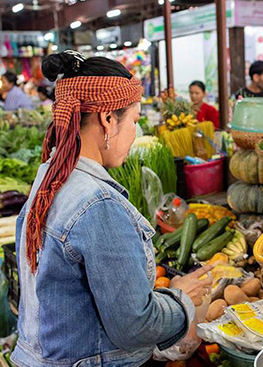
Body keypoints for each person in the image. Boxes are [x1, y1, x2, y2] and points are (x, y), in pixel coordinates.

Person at [12, 51, 213, 367]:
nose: (136, 132)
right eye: (134, 120)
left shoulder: (49, 177)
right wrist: (180, 297)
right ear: (108, 119)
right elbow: (134, 326)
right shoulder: (98, 205)